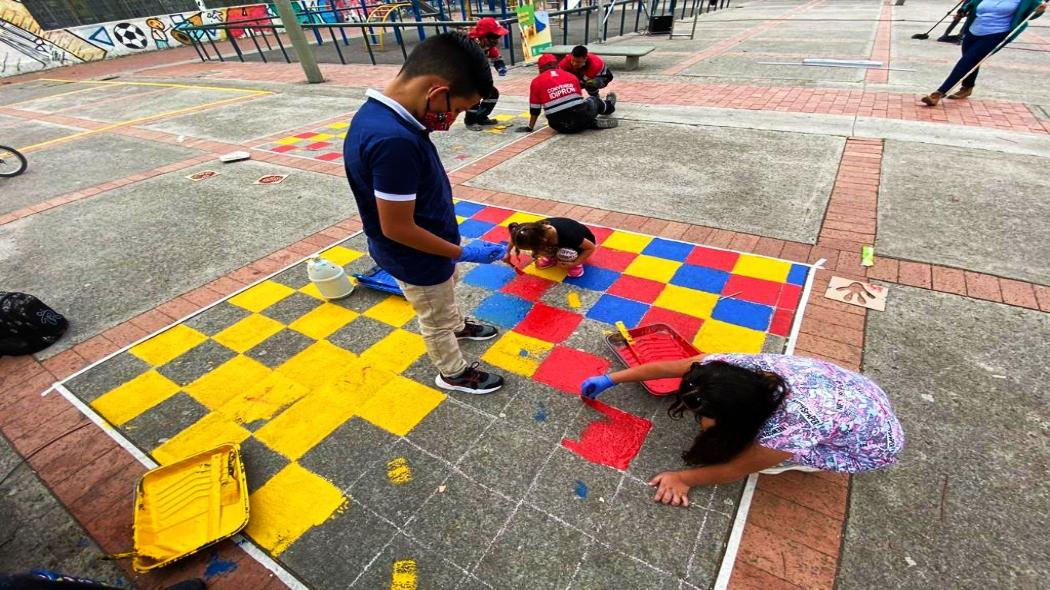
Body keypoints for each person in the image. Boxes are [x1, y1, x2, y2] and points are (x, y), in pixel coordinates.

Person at [343, 32, 507, 395]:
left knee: (442, 297)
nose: (452, 120)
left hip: (431, 249)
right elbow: (398, 227)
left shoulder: (383, 117)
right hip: (417, 256)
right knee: (432, 316)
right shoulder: (394, 141)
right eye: (459, 109)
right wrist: (462, 252)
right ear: (436, 92)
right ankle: (453, 372)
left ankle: (458, 324)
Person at [580, 353, 904, 507]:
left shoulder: (791, 427)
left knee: (757, 455)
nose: (697, 419)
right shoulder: (731, 367)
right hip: (859, 393)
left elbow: (735, 468)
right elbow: (671, 365)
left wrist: (683, 478)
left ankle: (797, 458)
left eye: (707, 414)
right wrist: (612, 379)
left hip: (870, 445)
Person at [921, 0, 1045, 105]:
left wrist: (1040, 11)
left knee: (967, 61)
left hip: (997, 34)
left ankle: (939, 93)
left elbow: (1031, 13)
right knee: (971, 60)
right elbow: (973, 3)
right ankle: (967, 87)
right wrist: (963, 10)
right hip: (973, 31)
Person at [521, 54, 618, 134]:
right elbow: (579, 101)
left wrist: (530, 127)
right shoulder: (571, 76)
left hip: (559, 126)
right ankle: (608, 106)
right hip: (581, 115)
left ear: (540, 69)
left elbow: (535, 110)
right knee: (593, 100)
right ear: (557, 65)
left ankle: (587, 123)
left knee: (567, 115)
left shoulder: (536, 82)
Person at [505, 218, 596, 278]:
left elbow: (590, 247)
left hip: (579, 245)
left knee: (564, 252)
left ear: (543, 240)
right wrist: (507, 252)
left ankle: (574, 263)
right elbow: (515, 239)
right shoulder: (531, 231)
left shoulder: (568, 235)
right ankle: (552, 257)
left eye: (533, 248)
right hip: (557, 243)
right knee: (542, 249)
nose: (533, 252)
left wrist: (575, 263)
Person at [465, 17, 509, 130]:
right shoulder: (469, 45)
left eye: (498, 37)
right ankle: (470, 121)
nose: (497, 41)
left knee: (492, 94)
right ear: (483, 36)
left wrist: (501, 67)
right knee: (474, 97)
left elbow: (496, 58)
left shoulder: (488, 46)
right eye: (494, 37)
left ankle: (481, 117)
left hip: (477, 77)